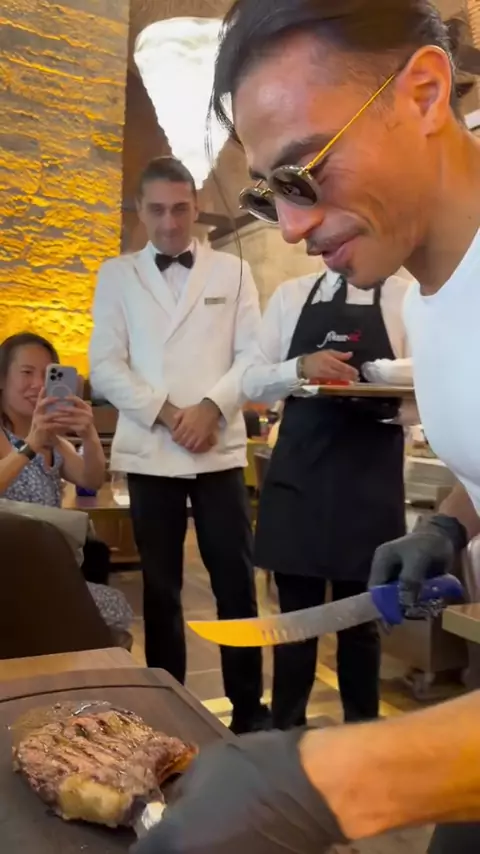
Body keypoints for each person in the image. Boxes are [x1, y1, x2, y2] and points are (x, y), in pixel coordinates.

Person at [132, 0, 480, 851]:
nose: (290, 228)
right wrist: (450, 522)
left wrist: (332, 780)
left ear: (425, 92)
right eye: (269, 192)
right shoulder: (429, 300)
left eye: (305, 171)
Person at [89, 156, 269, 734]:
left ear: (198, 207)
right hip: (153, 448)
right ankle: (169, 716)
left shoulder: (233, 271)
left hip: (217, 447)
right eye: (158, 210)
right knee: (161, 590)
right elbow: (105, 365)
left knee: (235, 584)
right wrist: (171, 415)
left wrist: (211, 408)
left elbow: (254, 356)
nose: (170, 223)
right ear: (140, 212)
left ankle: (248, 711)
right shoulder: (117, 275)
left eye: (181, 209)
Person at [242, 267, 411, 728]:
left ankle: (364, 738)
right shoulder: (290, 295)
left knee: (361, 627)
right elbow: (251, 381)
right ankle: (286, 739)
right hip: (302, 481)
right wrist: (300, 368)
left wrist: (382, 400)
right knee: (296, 627)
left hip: (370, 486)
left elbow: (430, 388)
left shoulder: (408, 297)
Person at [0, 332, 132, 634]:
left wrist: (88, 434)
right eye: (26, 373)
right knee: (107, 611)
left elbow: (91, 480)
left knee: (116, 607)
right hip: (9, 567)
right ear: (2, 379)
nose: (38, 384)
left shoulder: (54, 441)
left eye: (47, 375)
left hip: (47, 567)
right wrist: (31, 444)